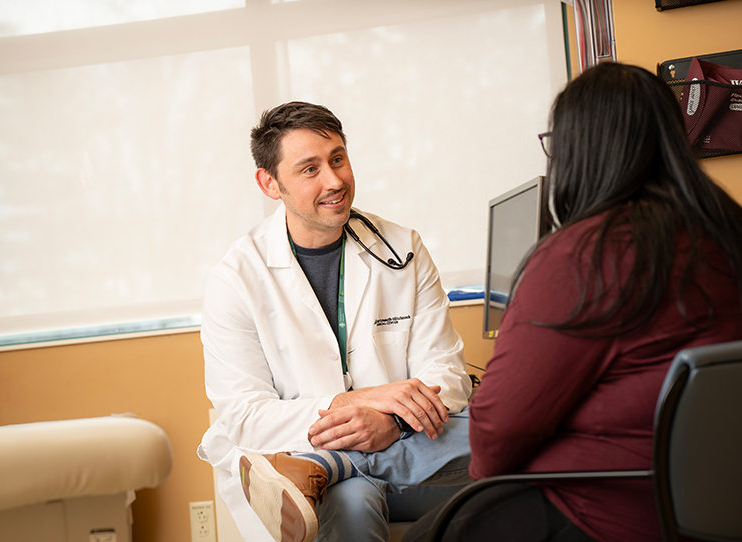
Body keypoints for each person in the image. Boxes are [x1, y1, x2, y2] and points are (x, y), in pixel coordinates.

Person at [402, 62, 742, 542]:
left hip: (612, 512)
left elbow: (497, 437)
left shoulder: (587, 253)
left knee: (426, 534)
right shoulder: (726, 230)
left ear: (576, 151)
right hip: (714, 506)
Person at [197, 101, 474, 542]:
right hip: (319, 478)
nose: (335, 180)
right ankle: (334, 469)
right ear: (270, 183)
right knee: (350, 503)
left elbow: (448, 373)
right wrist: (360, 405)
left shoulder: (403, 248)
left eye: (338, 159)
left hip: (395, 449)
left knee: (503, 430)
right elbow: (246, 418)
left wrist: (394, 424)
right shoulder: (236, 279)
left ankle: (327, 465)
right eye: (310, 169)